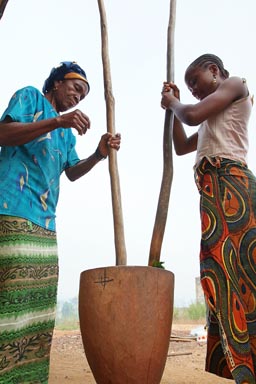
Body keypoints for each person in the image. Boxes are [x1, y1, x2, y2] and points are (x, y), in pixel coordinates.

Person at [0, 61, 121, 383]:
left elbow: (71, 172)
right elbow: (3, 134)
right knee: (9, 301)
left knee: (37, 305)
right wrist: (56, 121)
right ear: (55, 83)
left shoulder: (66, 133)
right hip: (11, 210)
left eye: (83, 94)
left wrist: (98, 154)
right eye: (75, 87)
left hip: (45, 223)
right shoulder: (30, 98)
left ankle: (26, 377)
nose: (78, 96)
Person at [161, 53, 256, 384]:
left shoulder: (234, 84)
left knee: (242, 272)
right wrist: (173, 111)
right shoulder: (209, 115)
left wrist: (175, 103)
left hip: (232, 187)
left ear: (214, 71)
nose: (193, 90)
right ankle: (242, 365)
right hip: (213, 192)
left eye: (195, 81)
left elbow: (190, 114)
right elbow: (182, 144)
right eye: (188, 86)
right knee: (219, 274)